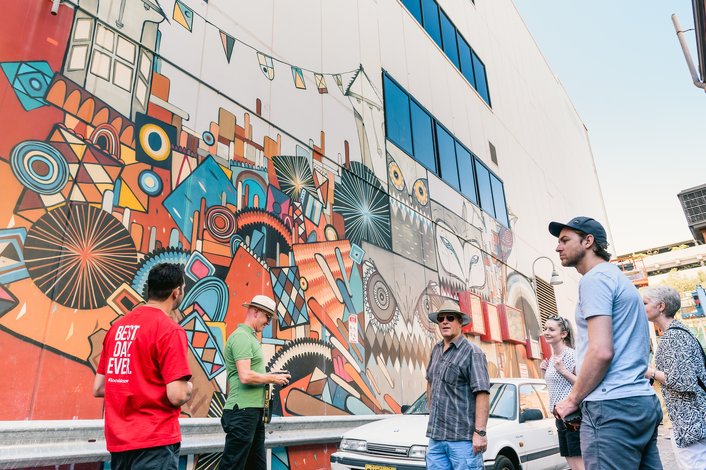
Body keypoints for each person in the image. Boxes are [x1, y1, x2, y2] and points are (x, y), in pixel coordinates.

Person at [549, 216, 662, 470]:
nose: (558, 247)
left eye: (565, 240)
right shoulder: (620, 280)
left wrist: (572, 399)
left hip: (612, 407)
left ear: (588, 241)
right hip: (640, 401)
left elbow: (601, 350)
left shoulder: (594, 279)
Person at [93, 263, 193, 470]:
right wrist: (188, 387)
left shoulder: (117, 328)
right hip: (154, 441)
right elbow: (177, 395)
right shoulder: (170, 330)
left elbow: (99, 387)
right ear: (176, 292)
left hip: (120, 443)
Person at [219, 295, 291, 470]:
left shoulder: (250, 338)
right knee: (232, 465)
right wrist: (272, 378)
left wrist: (272, 375)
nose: (268, 322)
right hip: (243, 411)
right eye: (267, 317)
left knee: (257, 466)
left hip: (254, 412)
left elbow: (251, 373)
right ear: (256, 312)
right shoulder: (242, 337)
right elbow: (245, 376)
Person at [642, 286, 706, 469]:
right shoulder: (678, 332)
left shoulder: (673, 336)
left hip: (689, 420)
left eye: (645, 303)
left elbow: (684, 381)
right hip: (694, 418)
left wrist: (649, 372)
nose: (641, 307)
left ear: (661, 306)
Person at [425, 299, 490, 470]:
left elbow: (482, 392)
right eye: (441, 318)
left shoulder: (473, 352)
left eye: (450, 318)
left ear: (460, 322)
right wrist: (432, 412)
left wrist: (480, 432)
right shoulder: (436, 350)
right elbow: (430, 382)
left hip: (463, 440)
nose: (445, 322)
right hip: (436, 438)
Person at [540, 315, 584, 470]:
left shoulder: (571, 355)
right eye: (545, 328)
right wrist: (544, 371)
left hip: (573, 417)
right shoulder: (552, 358)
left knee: (580, 465)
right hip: (560, 417)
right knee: (572, 464)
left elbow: (583, 384)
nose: (546, 332)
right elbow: (556, 387)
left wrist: (563, 370)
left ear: (563, 334)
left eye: (551, 329)